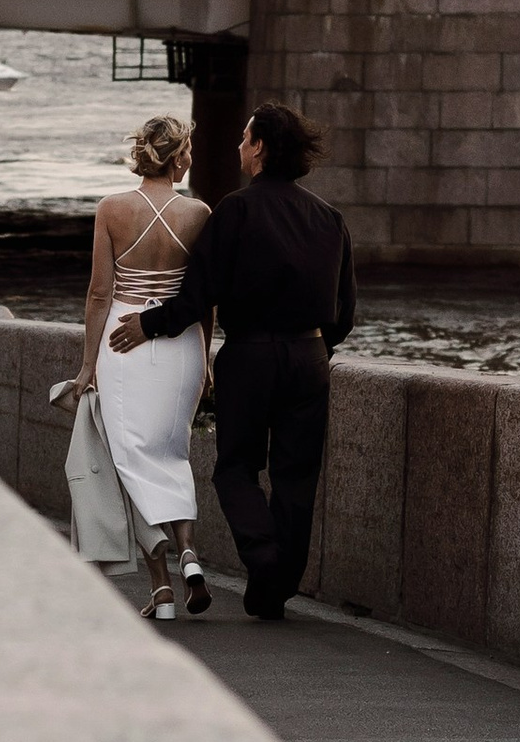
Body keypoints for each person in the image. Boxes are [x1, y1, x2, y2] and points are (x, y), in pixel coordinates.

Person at [110, 99, 353, 623]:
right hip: (310, 356)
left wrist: (147, 325)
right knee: (297, 474)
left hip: (251, 356)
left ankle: (264, 561)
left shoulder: (236, 211)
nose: (238, 147)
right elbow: (345, 311)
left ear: (260, 146)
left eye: (245, 139)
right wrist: (315, 349)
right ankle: (273, 590)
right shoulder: (330, 219)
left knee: (236, 467)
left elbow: (199, 294)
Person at [66, 112, 213, 625]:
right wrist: (207, 352)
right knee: (173, 451)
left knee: (130, 461)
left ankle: (163, 590)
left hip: (124, 340)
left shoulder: (111, 209)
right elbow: (203, 295)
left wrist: (87, 366)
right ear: (180, 156)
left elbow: (100, 293)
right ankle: (190, 552)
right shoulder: (198, 213)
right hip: (180, 345)